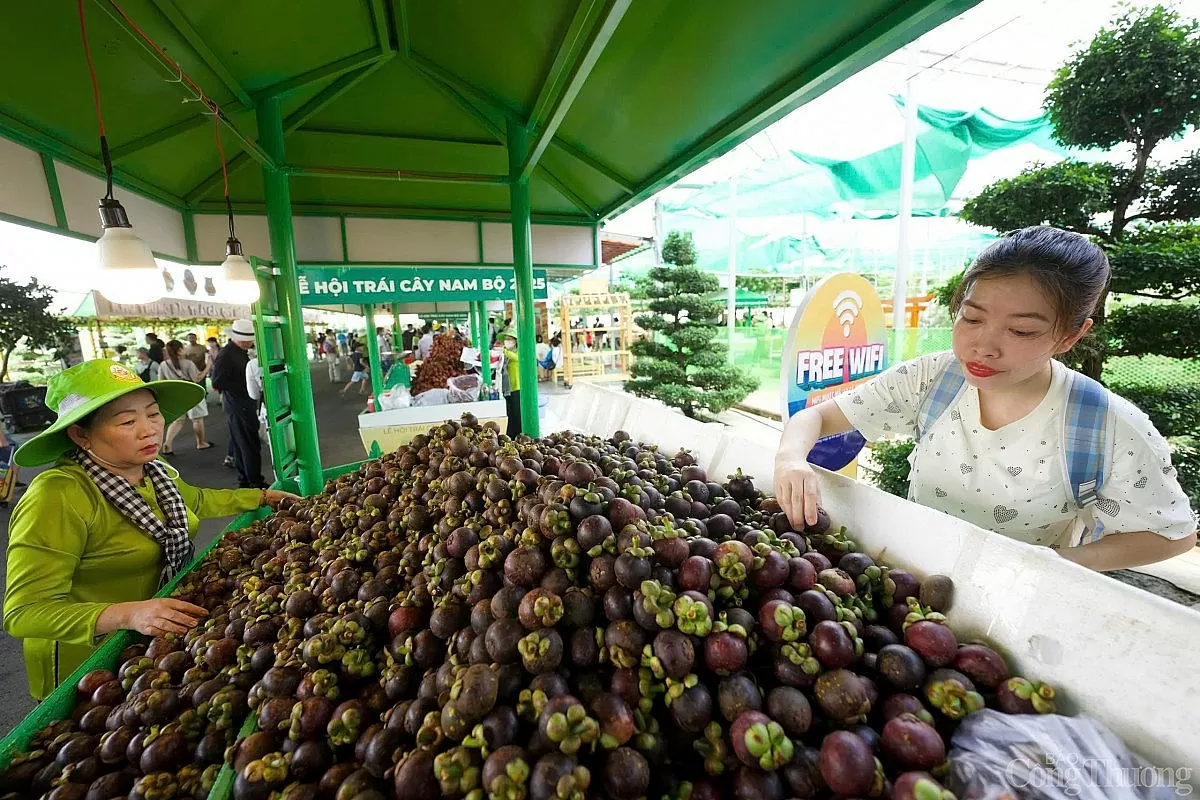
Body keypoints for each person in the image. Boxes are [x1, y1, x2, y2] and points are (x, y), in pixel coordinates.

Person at [774, 226, 1197, 572]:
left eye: (1021, 331)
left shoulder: (1106, 425)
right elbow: (816, 419)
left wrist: (1057, 562)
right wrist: (791, 459)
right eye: (972, 318)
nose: (984, 347)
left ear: (1070, 336)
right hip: (911, 572)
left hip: (1014, 600)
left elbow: (1172, 536)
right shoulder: (933, 378)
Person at [2, 359, 299, 699]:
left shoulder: (153, 471)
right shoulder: (57, 496)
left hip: (152, 635)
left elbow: (196, 500)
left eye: (154, 414)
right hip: (85, 665)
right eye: (128, 421)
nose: (150, 430)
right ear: (80, 434)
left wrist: (260, 495)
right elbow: (24, 613)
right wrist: (129, 612)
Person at [211, 320, 265, 489]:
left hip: (241, 403)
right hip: (237, 404)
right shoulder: (226, 355)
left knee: (242, 443)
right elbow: (216, 383)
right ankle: (254, 481)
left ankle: (246, 479)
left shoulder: (239, 352)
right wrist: (243, 385)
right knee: (248, 443)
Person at [158, 340, 212, 455]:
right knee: (197, 419)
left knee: (178, 421)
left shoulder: (163, 365)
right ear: (180, 350)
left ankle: (168, 444)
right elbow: (197, 378)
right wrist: (208, 366)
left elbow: (161, 382)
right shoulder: (188, 363)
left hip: (175, 395)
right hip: (191, 393)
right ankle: (201, 442)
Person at [498, 328, 522, 438]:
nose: (507, 341)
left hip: (517, 387)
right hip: (508, 388)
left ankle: (519, 434)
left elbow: (518, 359)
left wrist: (505, 352)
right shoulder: (507, 355)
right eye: (506, 339)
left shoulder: (518, 352)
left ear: (515, 341)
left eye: (510, 339)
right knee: (510, 413)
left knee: (517, 413)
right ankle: (511, 435)